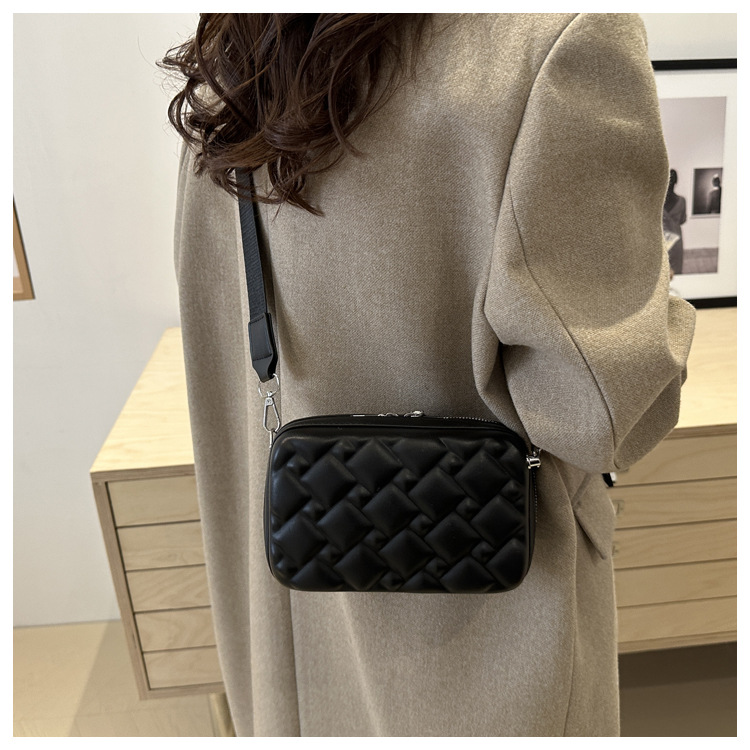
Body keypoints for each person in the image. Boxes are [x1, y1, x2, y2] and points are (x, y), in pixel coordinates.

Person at [164, 13, 696, 737]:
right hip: (481, 643)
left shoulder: (235, 59)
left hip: (285, 620)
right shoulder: (558, 43)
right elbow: (599, 413)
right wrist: (658, 308)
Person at [663, 168, 687, 275]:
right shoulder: (682, 200)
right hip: (676, 239)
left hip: (663, 239)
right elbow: (683, 220)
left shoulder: (658, 202)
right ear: (676, 181)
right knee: (676, 273)